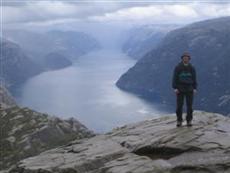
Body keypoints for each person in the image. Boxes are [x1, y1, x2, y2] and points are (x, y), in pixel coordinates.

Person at [172, 52, 197, 127]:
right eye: (184, 57)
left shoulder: (192, 68)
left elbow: (194, 78)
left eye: (187, 57)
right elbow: (174, 78)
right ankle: (179, 120)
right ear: (182, 58)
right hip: (180, 89)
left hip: (189, 88)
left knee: (189, 106)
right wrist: (175, 88)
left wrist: (195, 88)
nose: (185, 58)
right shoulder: (178, 67)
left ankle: (189, 120)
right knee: (179, 106)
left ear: (189, 59)